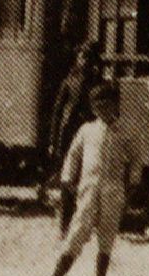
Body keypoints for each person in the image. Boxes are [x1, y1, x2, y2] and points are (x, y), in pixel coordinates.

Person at [33, 83, 138, 276]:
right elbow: (73, 155)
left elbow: (136, 163)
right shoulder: (87, 130)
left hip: (113, 191)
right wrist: (68, 180)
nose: (101, 111)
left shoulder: (127, 133)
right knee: (76, 235)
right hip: (88, 190)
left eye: (106, 105)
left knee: (106, 239)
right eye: (96, 107)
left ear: (116, 105)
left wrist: (130, 189)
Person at [43, 29, 106, 226]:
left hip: (90, 137)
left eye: (89, 58)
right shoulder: (69, 82)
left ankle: (80, 218)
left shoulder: (99, 84)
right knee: (68, 176)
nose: (85, 62)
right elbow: (57, 112)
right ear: (78, 59)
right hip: (69, 135)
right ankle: (65, 219)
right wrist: (53, 141)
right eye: (82, 57)